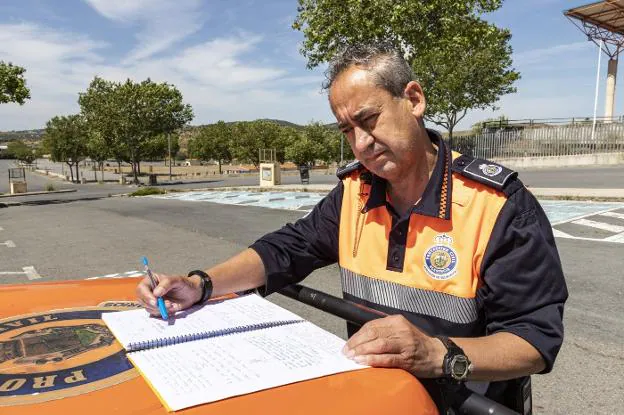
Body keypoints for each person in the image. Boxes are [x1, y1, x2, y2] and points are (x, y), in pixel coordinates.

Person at [136, 42, 567, 413]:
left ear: (413, 100)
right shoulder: (354, 194)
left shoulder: (498, 204)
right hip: (378, 400)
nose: (360, 142)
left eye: (369, 119)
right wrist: (200, 283)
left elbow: (533, 340)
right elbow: (286, 249)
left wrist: (437, 353)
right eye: (347, 130)